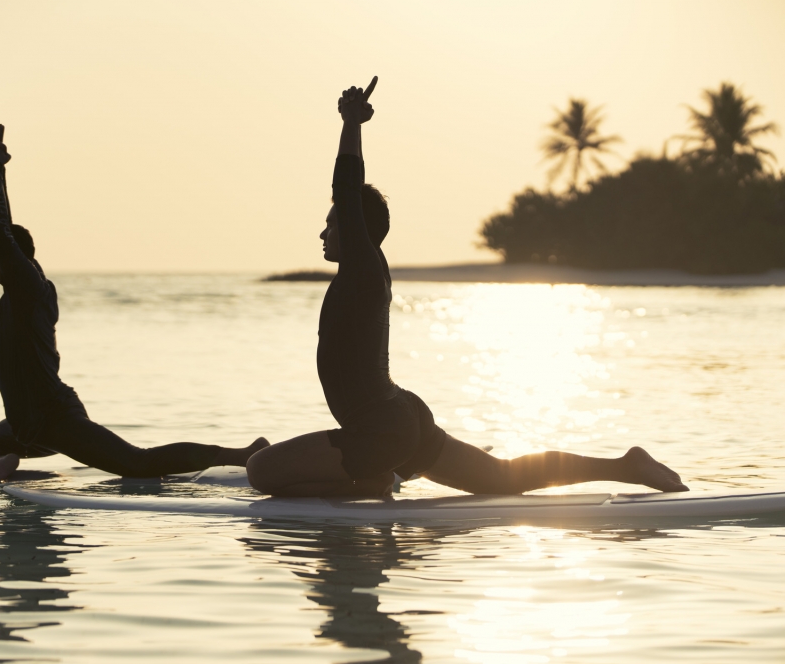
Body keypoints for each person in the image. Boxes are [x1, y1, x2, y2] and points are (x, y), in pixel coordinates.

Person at [246, 79, 689, 497]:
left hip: (380, 431)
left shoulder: (363, 268)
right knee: (504, 477)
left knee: (261, 470)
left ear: (354, 228)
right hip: (399, 418)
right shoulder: (368, 272)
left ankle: (370, 481)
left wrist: (351, 124)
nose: (323, 234)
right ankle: (625, 466)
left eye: (332, 224)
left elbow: (347, 189)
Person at [0, 131, 267, 485]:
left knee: (137, 464)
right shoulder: (19, 291)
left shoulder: (27, 288)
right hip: (24, 425)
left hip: (53, 419)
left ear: (11, 257)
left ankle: (242, 455)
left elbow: (0, 229)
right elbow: (4, 234)